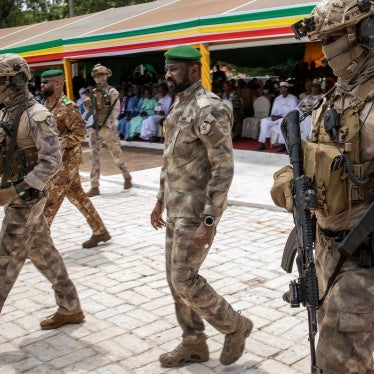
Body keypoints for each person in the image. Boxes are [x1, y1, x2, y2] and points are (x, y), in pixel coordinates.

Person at [270, 0, 374, 372]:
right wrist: (287, 185)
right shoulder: (336, 97)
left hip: (363, 260)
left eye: (331, 38)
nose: (325, 51)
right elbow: (306, 162)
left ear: (364, 34)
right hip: (327, 252)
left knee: (337, 361)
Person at [151, 45, 253, 368]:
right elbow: (170, 161)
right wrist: (159, 200)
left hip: (196, 212)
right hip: (174, 209)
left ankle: (235, 326)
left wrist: (209, 219)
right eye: (167, 69)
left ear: (194, 71)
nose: (168, 75)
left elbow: (223, 168)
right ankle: (193, 343)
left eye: (175, 69)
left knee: (184, 278)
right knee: (174, 279)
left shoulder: (208, 109)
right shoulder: (178, 106)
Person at [0, 53, 84, 329]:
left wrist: (14, 191)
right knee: (44, 253)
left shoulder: (37, 115)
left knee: (5, 258)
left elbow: (52, 161)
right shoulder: (5, 112)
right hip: (15, 193)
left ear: (16, 80)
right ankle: (70, 306)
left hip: (27, 197)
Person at [40, 69, 111, 249]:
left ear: (57, 84)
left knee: (51, 199)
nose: (42, 85)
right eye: (41, 82)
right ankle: (100, 231)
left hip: (67, 160)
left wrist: (62, 141)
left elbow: (80, 133)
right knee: (78, 196)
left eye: (45, 82)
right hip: (54, 159)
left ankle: (37, 242)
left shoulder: (67, 106)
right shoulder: (46, 104)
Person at [84, 63, 132, 197]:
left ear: (107, 75)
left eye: (102, 75)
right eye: (97, 76)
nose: (100, 78)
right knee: (94, 156)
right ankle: (95, 185)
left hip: (108, 128)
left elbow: (116, 110)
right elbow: (89, 110)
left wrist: (108, 125)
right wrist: (88, 103)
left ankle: (126, 175)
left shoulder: (112, 91)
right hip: (96, 126)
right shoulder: (92, 92)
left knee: (116, 154)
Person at [256, 81, 298, 152]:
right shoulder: (277, 98)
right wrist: (273, 116)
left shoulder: (293, 98)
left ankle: (283, 145)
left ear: (288, 89)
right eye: (281, 88)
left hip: (286, 118)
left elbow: (293, 113)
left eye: (285, 88)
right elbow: (273, 112)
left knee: (282, 121)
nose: (283, 90)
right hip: (276, 118)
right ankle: (262, 143)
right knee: (264, 121)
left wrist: (280, 117)